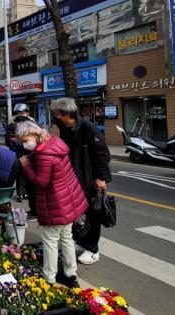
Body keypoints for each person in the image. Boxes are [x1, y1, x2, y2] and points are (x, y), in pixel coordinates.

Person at [17, 121, 87, 287]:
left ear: (34, 134)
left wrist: (26, 167)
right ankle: (70, 274)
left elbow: (41, 181)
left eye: (25, 140)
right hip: (68, 199)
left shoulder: (43, 155)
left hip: (56, 201)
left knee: (50, 240)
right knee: (66, 237)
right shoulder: (54, 142)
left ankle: (49, 277)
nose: (24, 144)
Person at [51, 97, 112, 266]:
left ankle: (93, 249)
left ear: (66, 114)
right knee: (78, 212)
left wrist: (101, 178)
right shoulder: (66, 127)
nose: (55, 116)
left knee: (92, 213)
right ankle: (82, 242)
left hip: (90, 178)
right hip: (73, 178)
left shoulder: (87, 128)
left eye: (57, 113)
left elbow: (103, 154)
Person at [5, 103, 37, 206]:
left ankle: (27, 193)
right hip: (17, 153)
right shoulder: (12, 125)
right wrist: (19, 146)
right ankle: (18, 193)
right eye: (19, 113)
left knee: (29, 174)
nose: (21, 114)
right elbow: (9, 140)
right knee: (18, 174)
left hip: (30, 153)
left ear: (27, 113)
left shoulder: (32, 124)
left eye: (23, 112)